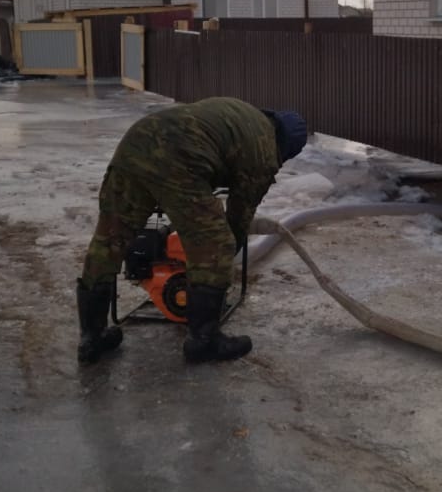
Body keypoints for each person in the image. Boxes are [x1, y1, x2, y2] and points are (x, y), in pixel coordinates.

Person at [76, 96, 307, 365]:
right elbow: (240, 212)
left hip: (136, 143)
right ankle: (204, 341)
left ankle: (92, 337)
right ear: (287, 146)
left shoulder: (244, 115)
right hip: (180, 156)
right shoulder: (265, 148)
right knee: (216, 243)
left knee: (111, 239)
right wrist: (225, 251)